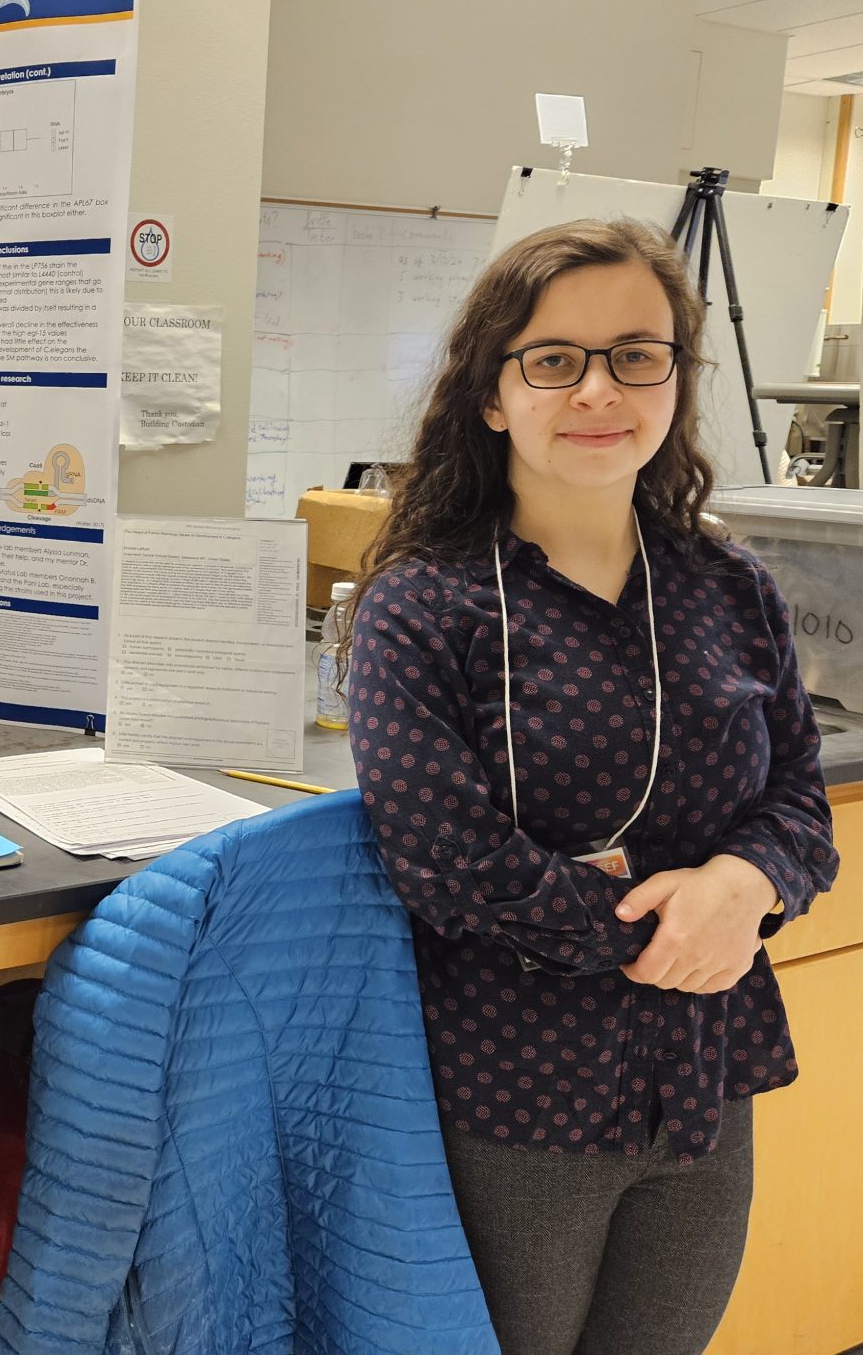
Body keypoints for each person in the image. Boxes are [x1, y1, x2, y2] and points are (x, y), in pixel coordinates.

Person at [345, 218, 838, 1355]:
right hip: (515, 1097)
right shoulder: (425, 609)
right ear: (490, 393)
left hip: (704, 1076)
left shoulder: (728, 585)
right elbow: (447, 864)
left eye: (635, 354)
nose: (599, 390)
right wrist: (670, 927)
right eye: (554, 359)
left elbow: (801, 805)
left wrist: (743, 886)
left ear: (676, 377)